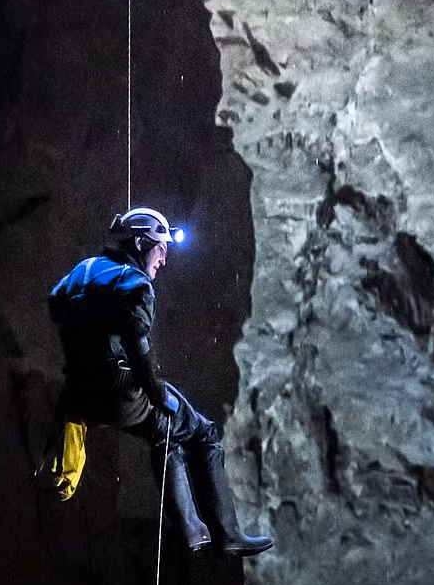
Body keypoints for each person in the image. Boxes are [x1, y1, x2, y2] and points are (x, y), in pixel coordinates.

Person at [48, 206, 273, 557]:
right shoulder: (136, 285)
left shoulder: (83, 271)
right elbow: (139, 354)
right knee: (204, 432)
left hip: (80, 396)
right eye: (161, 249)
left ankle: (194, 533)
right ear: (140, 242)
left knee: (165, 436)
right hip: (121, 392)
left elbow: (56, 303)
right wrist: (156, 394)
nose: (164, 260)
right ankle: (228, 534)